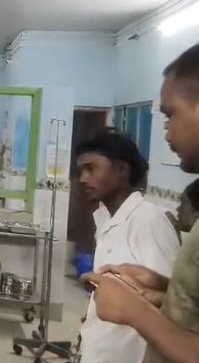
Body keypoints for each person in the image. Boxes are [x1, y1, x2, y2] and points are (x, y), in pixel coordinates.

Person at [83, 43, 199, 363]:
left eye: (170, 115)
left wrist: (134, 310)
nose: (166, 133)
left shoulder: (150, 222)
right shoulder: (105, 218)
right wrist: (163, 289)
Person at [75, 133, 180, 362]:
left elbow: (174, 308)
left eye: (91, 168)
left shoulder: (148, 221)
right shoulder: (106, 220)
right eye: (81, 171)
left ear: (122, 170)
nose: (83, 178)